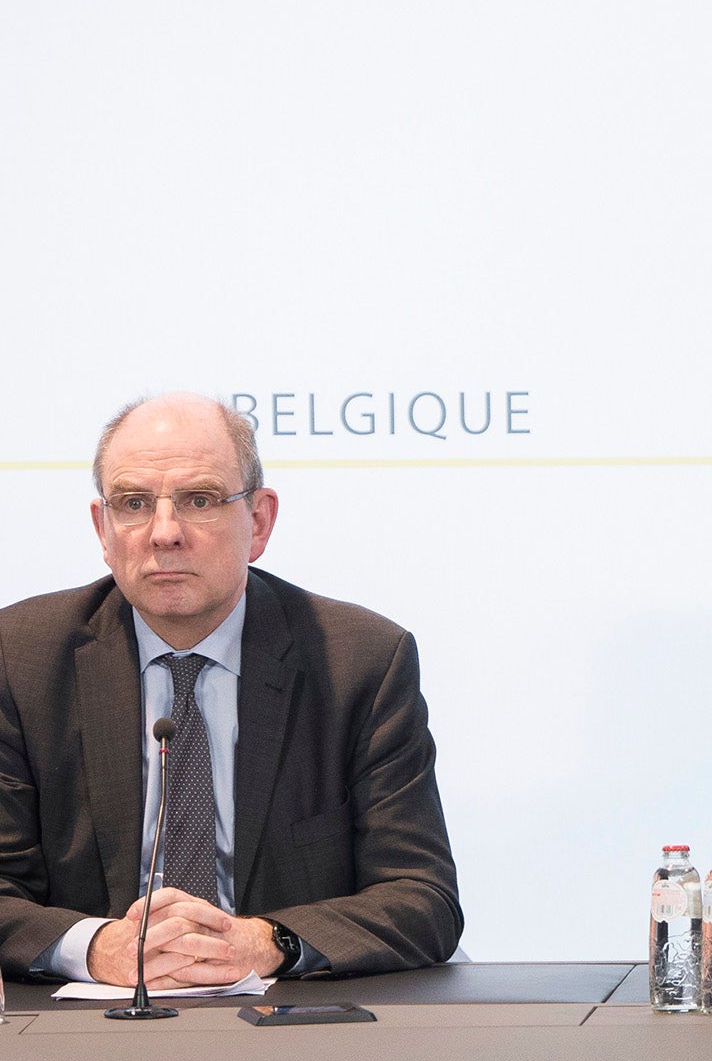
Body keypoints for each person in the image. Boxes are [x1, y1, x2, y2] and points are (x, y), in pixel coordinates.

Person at [0, 393, 463, 985]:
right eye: (134, 504)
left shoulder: (359, 661)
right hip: (92, 1028)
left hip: (286, 1028)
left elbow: (422, 898)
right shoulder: (22, 658)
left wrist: (264, 941)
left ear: (260, 521)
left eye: (199, 500)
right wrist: (93, 948)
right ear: (103, 528)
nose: (164, 533)